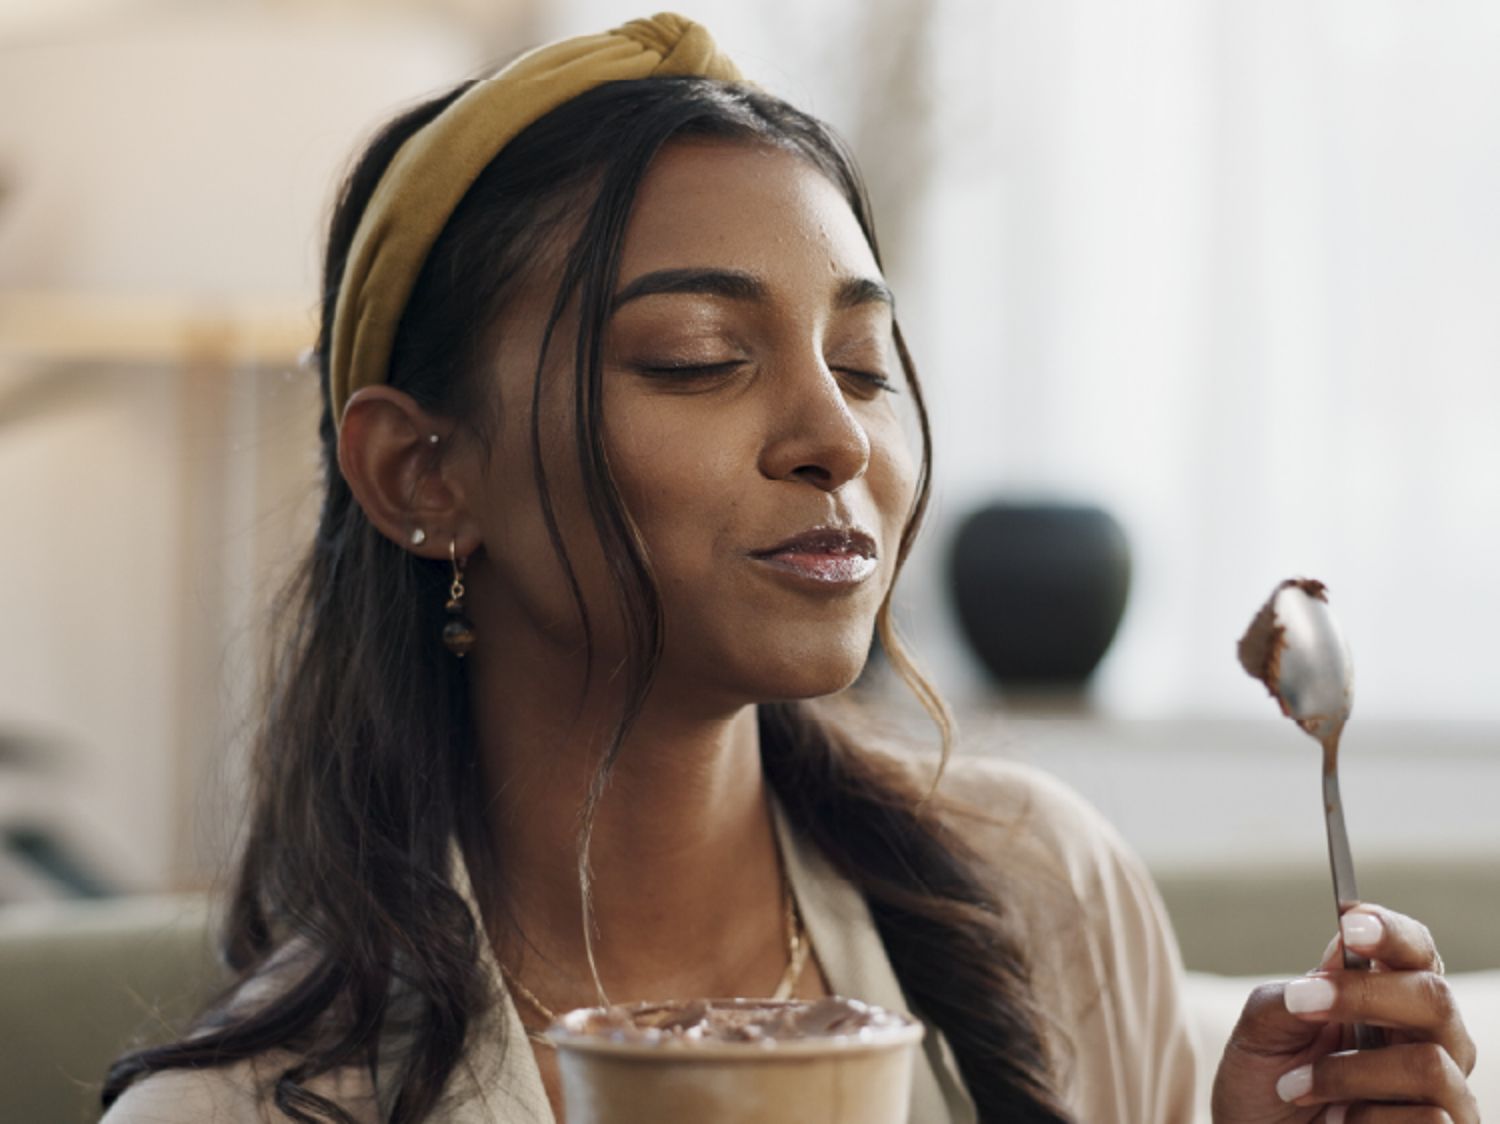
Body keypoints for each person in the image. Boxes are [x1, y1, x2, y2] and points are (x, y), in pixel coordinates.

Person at [100, 14, 1476, 1124]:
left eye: (866, 366)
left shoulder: (1042, 899)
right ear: (423, 476)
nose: (836, 435)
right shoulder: (233, 1111)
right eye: (699, 357)